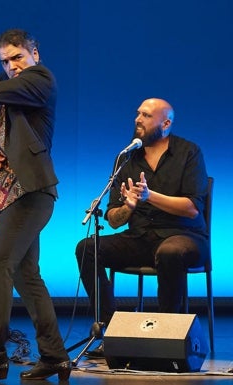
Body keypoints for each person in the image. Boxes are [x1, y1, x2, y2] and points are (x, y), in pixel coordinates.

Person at [0, 29, 71, 382]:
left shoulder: (40, 80)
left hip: (33, 191)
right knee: (25, 274)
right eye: (5, 61)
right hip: (7, 194)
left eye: (17, 56)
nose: (12, 66)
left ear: (34, 52)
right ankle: (54, 356)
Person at [75, 98, 209, 357]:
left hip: (185, 236)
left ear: (166, 123)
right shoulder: (126, 158)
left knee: (170, 252)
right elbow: (114, 219)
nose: (138, 119)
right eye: (137, 114)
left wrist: (150, 196)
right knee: (87, 248)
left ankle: (167, 336)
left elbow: (193, 208)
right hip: (140, 238)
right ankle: (111, 331)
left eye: (146, 115)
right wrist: (129, 206)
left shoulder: (188, 152)